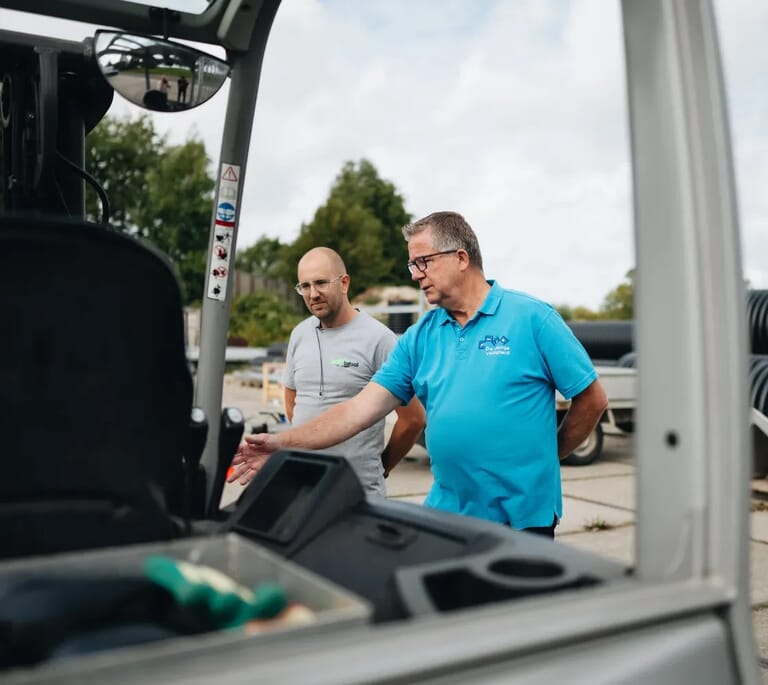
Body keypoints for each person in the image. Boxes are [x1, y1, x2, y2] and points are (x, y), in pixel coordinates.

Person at [229, 213, 607, 537]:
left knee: (517, 621)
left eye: (423, 262)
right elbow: (356, 411)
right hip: (448, 511)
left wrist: (548, 456)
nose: (415, 275)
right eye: (413, 265)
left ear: (461, 258)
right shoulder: (420, 337)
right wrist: (281, 443)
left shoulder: (532, 319)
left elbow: (592, 399)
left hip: (522, 516)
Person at [275, 247, 425, 496]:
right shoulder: (299, 334)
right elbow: (293, 404)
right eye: (305, 286)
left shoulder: (379, 340)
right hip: (303, 486)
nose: (313, 294)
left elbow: (413, 419)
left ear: (344, 283)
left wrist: (382, 467)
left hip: (357, 492)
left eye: (321, 283)